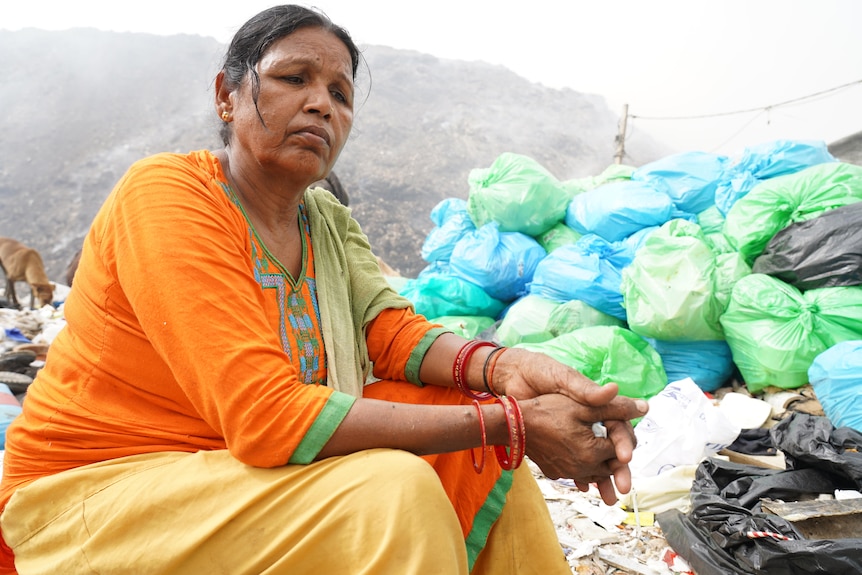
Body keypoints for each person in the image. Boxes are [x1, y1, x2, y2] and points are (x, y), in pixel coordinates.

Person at [0, 5, 647, 574]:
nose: (321, 103)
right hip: (96, 495)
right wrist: (512, 422)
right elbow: (266, 415)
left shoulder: (326, 224)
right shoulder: (168, 197)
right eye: (294, 78)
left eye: (340, 93)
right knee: (394, 490)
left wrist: (514, 371)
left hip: (240, 480)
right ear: (227, 95)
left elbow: (391, 333)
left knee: (479, 454)